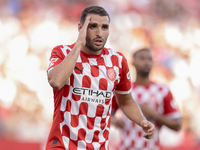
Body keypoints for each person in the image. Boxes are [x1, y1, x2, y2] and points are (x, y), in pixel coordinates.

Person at [46, 6, 155, 150]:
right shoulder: (62, 52)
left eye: (104, 27)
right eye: (93, 27)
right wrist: (79, 44)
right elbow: (56, 81)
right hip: (63, 145)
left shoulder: (117, 60)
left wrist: (142, 122)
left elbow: (126, 102)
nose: (99, 33)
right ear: (81, 28)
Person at [111, 48, 182, 150]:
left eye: (149, 59)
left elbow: (177, 125)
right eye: (142, 58)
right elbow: (107, 114)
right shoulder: (123, 89)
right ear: (133, 62)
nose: (146, 62)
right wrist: (114, 121)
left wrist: (155, 115)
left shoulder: (162, 90)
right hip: (126, 147)